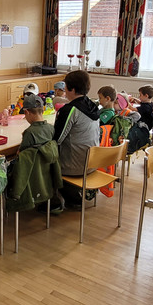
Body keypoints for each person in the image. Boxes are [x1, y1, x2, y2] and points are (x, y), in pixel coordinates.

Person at [53, 70, 100, 204]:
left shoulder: (70, 110)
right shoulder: (94, 106)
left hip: (75, 166)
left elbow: (57, 140)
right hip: (93, 162)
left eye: (65, 88)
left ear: (72, 89)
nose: (64, 91)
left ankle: (54, 200)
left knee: (42, 154)